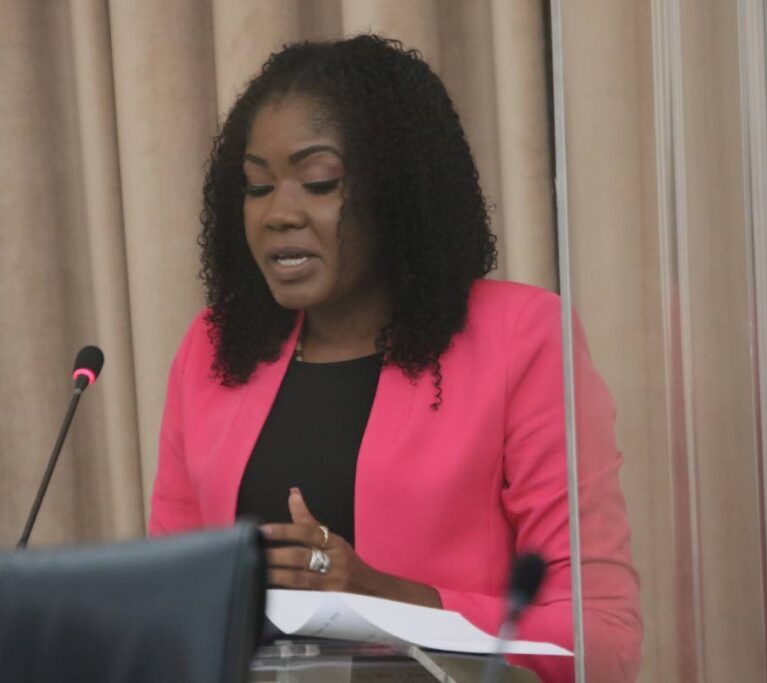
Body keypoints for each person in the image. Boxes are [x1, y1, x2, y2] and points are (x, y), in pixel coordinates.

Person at [148, 35, 641, 682]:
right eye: (258, 186)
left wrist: (388, 598)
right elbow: (162, 610)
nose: (278, 213)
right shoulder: (213, 350)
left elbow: (601, 640)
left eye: (318, 181)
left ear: (397, 188)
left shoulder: (521, 337)